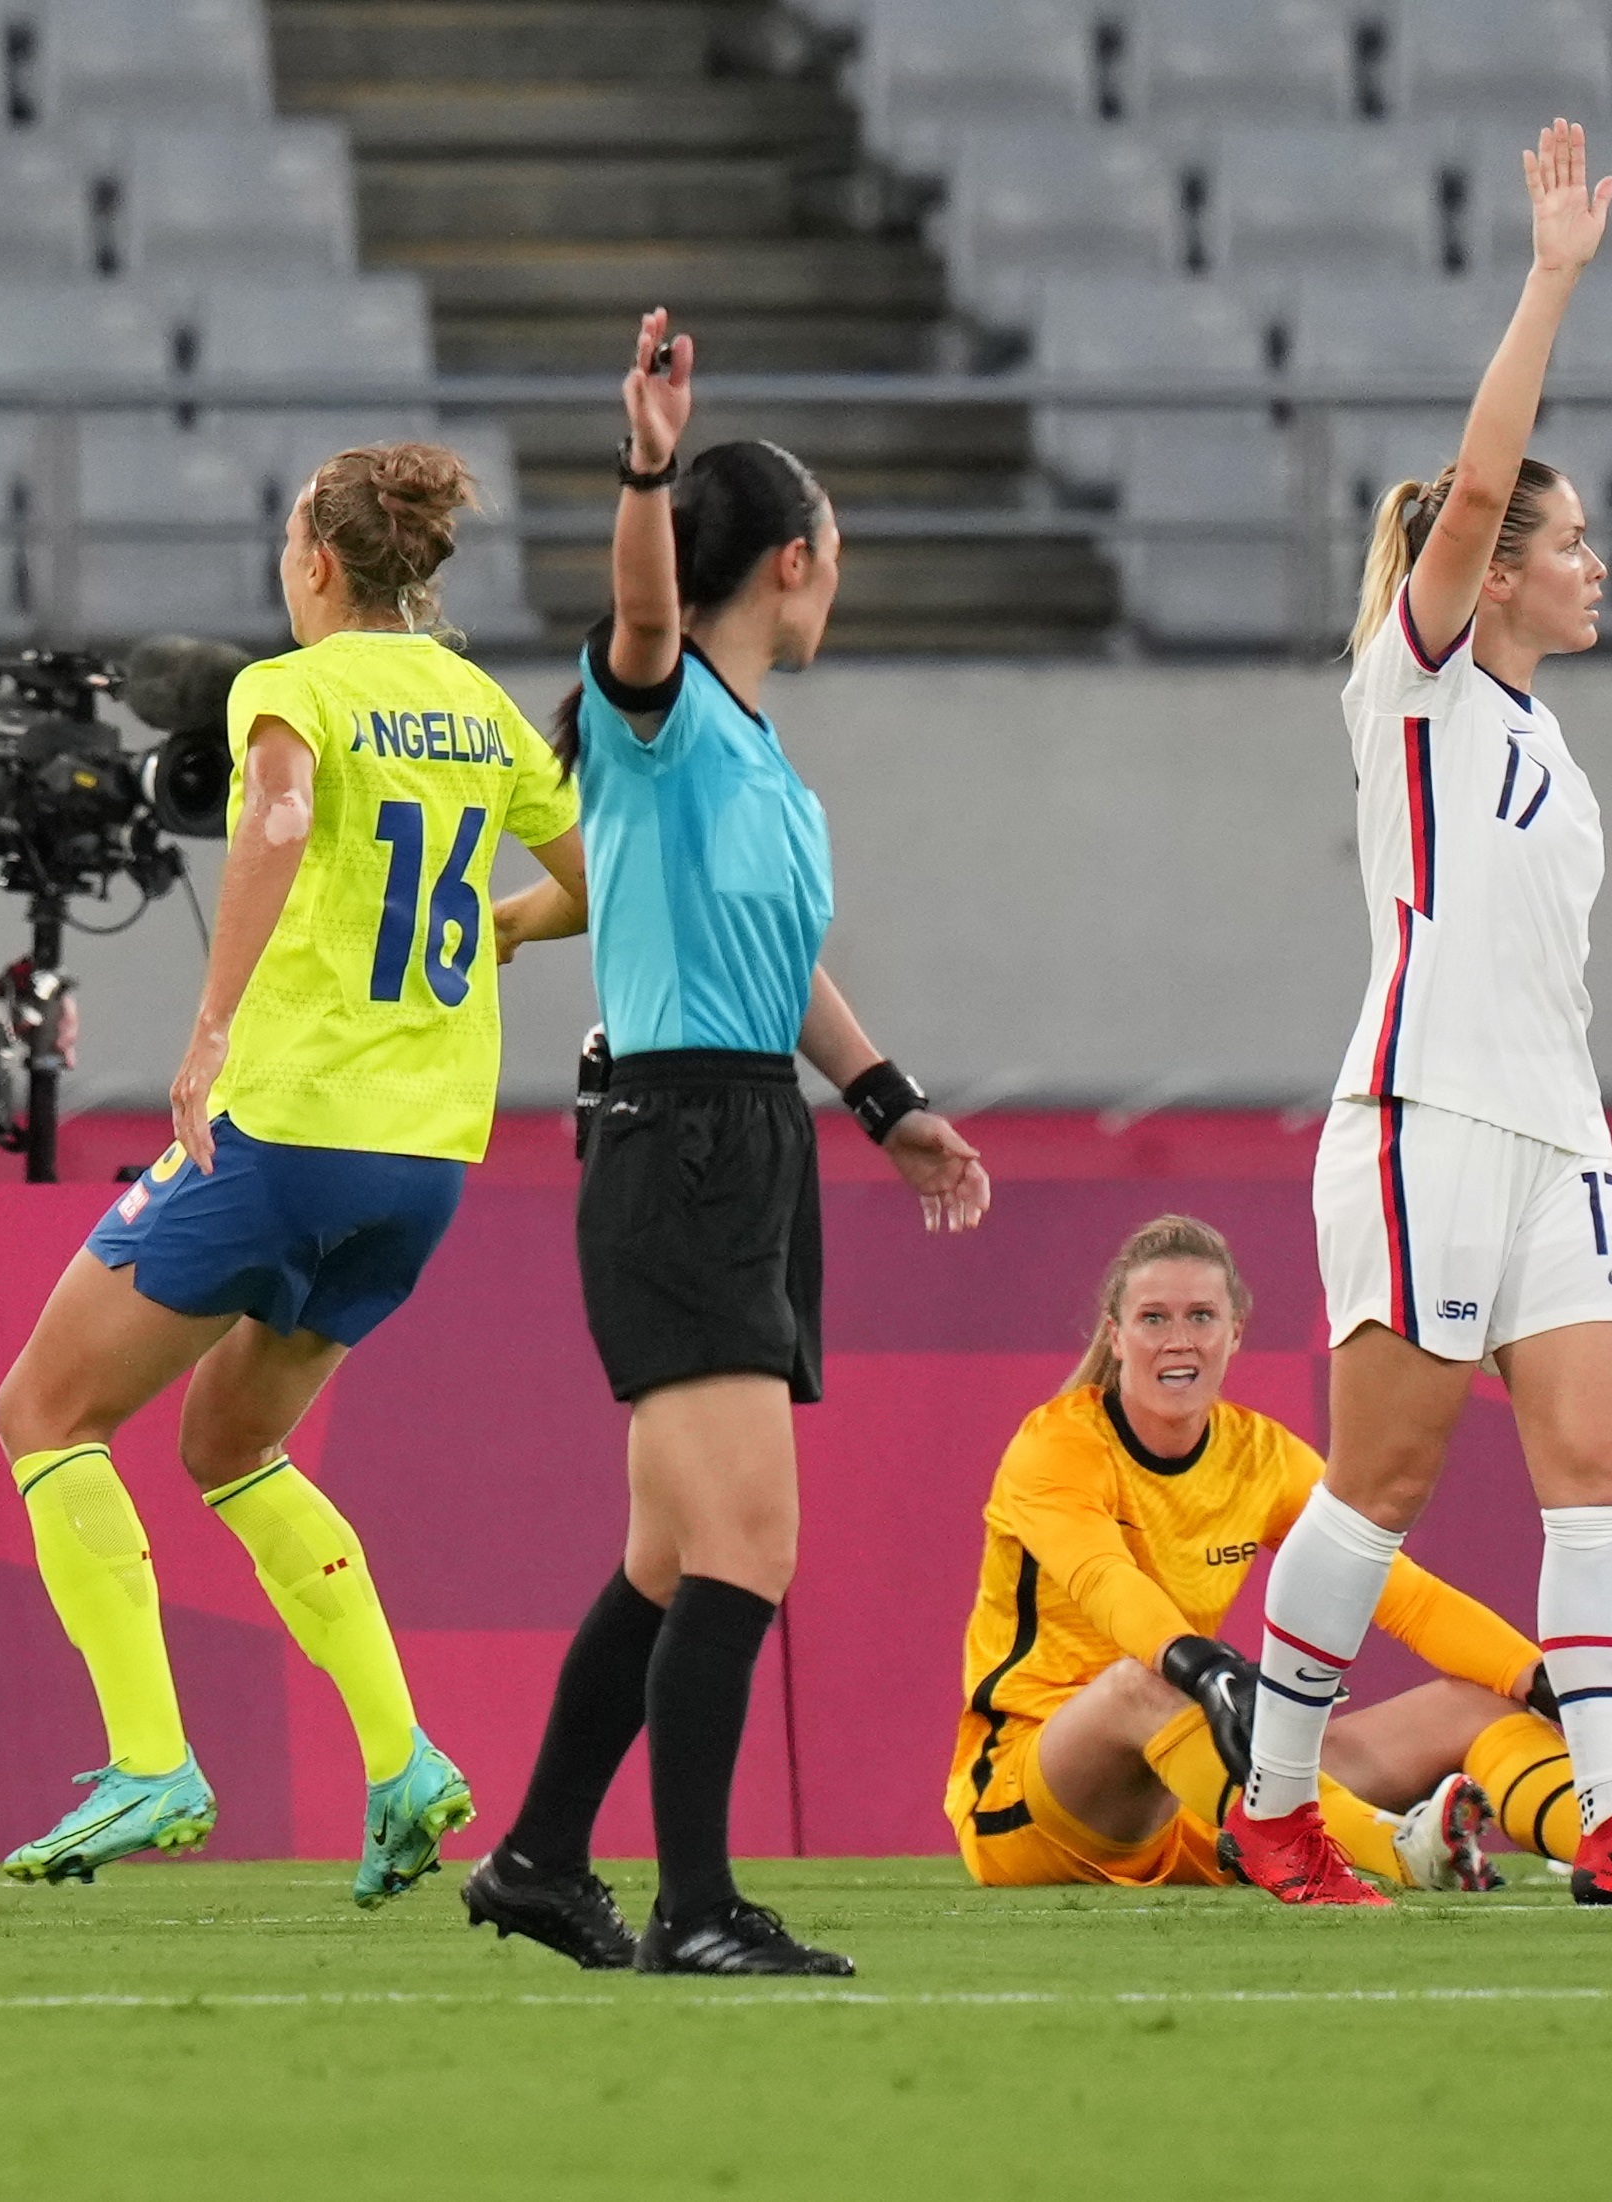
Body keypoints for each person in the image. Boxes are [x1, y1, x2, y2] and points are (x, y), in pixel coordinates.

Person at [1223, 122, 1612, 1909]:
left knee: (1593, 1471)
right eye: (1568, 541)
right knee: (1377, 1475)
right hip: (1422, 1114)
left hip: (1555, 1130)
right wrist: (1547, 282)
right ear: (1492, 566)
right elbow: (1470, 486)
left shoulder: (1540, 740)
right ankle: (1276, 1799)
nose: (1592, 565)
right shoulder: (1416, 682)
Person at [463, 309, 992, 1979]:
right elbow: (631, 613)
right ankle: (694, 1905)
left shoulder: (760, 763)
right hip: (675, 1139)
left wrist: (887, 1100)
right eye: (829, 546)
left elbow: (782, 971)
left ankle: (545, 1855)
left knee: (673, 1553)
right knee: (750, 1548)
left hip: (744, 1127)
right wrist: (641, 457)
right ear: (787, 560)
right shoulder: (662, 706)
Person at [0, 441, 589, 1907]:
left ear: (316, 562)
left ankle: (152, 1758)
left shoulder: (292, 689)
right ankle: (402, 1761)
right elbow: (596, 882)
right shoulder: (482, 706)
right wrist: (497, 924)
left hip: (294, 1124)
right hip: (427, 1156)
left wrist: (204, 1035)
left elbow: (269, 823)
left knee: (43, 1407)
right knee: (228, 1447)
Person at [950, 1216, 1612, 1896]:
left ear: (1236, 1333)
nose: (1176, 1338)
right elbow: (1103, 1584)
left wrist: (1551, 1688)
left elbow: (1409, 1600)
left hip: (1197, 1796)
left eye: (1199, 1315)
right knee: (1140, 1684)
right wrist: (1207, 1669)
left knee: (1476, 1701)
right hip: (1029, 1798)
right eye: (1152, 1318)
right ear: (1114, 1336)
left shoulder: (1259, 1453)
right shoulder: (1055, 1446)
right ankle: (1399, 1849)